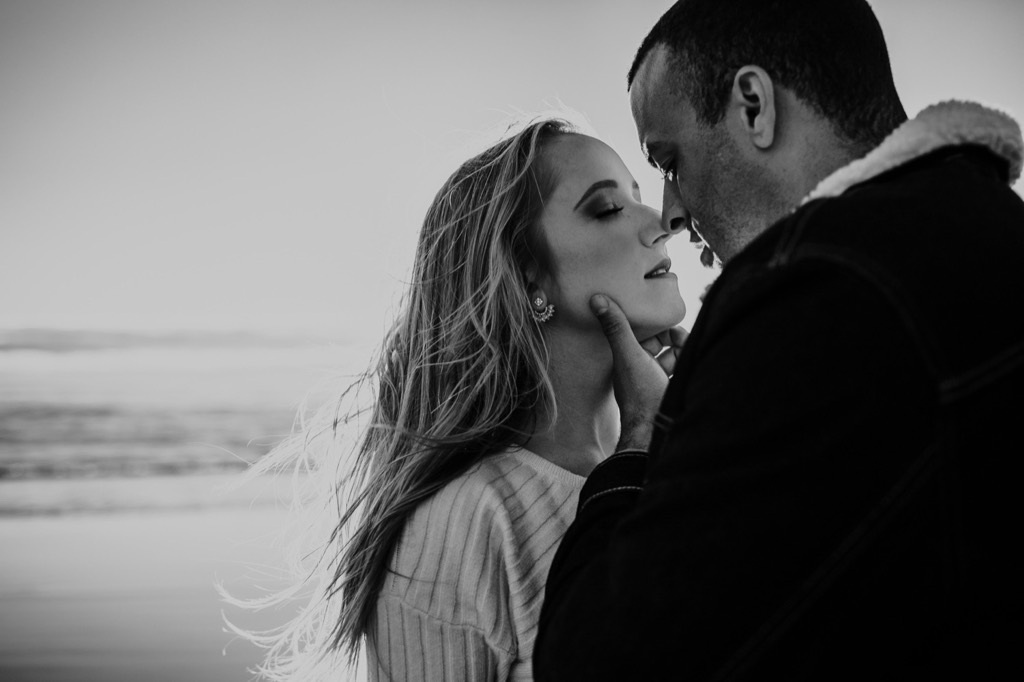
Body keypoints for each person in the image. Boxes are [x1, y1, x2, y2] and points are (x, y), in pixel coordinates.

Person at [534, 1, 1024, 680]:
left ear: (754, 107)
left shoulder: (820, 292)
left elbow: (599, 665)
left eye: (670, 160)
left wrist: (641, 443)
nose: (672, 211)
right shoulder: (991, 235)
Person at [229, 116, 688, 681]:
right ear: (527, 276)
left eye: (640, 198)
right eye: (608, 209)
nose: (662, 222)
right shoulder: (466, 520)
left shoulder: (672, 467)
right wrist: (643, 441)